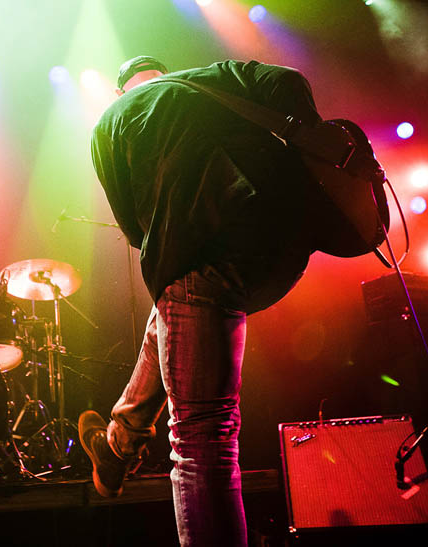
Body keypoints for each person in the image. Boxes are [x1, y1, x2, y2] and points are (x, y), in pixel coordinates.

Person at [79, 56, 327, 546]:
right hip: (282, 251)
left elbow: (134, 230)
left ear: (119, 91)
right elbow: (289, 82)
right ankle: (120, 441)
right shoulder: (207, 80)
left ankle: (121, 443)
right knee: (172, 313)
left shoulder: (112, 119)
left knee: (201, 437)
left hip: (201, 256)